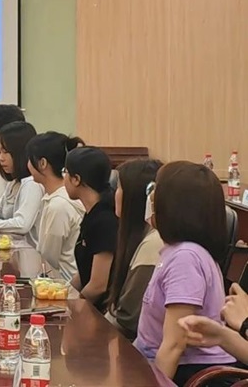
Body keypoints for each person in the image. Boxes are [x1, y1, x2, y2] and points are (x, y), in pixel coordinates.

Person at [134, 161, 235, 385]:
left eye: (156, 190)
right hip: (166, 364)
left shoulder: (186, 258)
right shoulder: (177, 251)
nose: (152, 199)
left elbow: (174, 344)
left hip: (190, 372)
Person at [106, 158, 164, 340]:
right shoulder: (142, 236)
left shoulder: (154, 243)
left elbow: (129, 318)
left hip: (135, 346)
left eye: (119, 188)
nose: (115, 194)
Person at [26, 131, 85, 279]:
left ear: (42, 163)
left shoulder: (59, 205)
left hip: (63, 282)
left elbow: (48, 257)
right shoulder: (56, 197)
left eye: (30, 160)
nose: (27, 165)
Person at [65, 146, 117, 310]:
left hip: (102, 312)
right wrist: (64, 294)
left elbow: (98, 285)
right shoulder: (92, 214)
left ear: (76, 179)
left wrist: (72, 307)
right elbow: (84, 272)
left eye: (66, 172)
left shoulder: (105, 220)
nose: (64, 178)